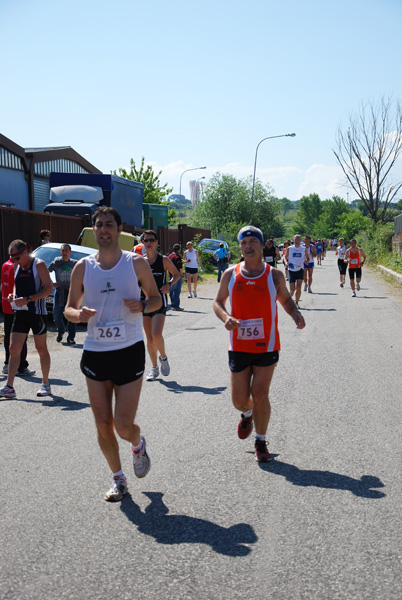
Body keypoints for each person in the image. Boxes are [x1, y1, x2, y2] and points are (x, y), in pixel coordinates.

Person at [64, 207, 162, 502]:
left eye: (109, 224)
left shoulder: (136, 263)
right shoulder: (82, 267)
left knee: (122, 425)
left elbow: (157, 298)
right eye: (99, 225)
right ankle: (119, 479)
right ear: (94, 230)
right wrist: (77, 314)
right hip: (95, 351)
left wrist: (144, 306)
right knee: (102, 424)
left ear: (119, 230)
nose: (104, 229)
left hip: (129, 349)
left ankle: (137, 443)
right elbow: (68, 309)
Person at [213, 226, 305, 463]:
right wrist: (226, 317)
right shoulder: (230, 274)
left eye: (254, 242)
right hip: (239, 345)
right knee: (239, 400)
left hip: (267, 345)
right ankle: (247, 413)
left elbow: (285, 299)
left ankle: (261, 441)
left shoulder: (274, 275)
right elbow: (217, 302)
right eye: (244, 243)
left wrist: (295, 314)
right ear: (240, 247)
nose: (249, 246)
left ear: (262, 245)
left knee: (261, 394)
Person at [0, 240, 53, 399]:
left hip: (37, 313)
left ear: (24, 252)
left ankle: (45, 384)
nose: (14, 262)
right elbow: (17, 287)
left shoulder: (39, 265)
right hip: (20, 312)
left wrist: (28, 299)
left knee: (41, 348)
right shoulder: (16, 266)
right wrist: (13, 296)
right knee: (13, 348)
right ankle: (9, 387)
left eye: (16, 258)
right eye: (12, 259)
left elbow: (49, 289)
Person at [141, 230, 181, 381]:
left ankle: (163, 358)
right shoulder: (140, 262)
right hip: (145, 302)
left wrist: (169, 284)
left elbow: (177, 274)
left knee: (156, 334)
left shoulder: (163, 260)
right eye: (146, 240)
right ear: (143, 243)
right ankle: (154, 368)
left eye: (151, 240)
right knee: (149, 339)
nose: (149, 243)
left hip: (160, 301)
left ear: (156, 242)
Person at [1, 258, 35, 376]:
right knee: (21, 337)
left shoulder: (5, 265)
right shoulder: (16, 267)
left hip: (6, 304)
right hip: (15, 305)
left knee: (8, 336)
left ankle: (7, 364)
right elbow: (17, 286)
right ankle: (21, 367)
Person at [48, 244, 77, 344]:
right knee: (56, 314)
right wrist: (52, 283)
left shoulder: (74, 264)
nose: (64, 253)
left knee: (71, 315)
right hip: (59, 292)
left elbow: (83, 274)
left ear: (70, 252)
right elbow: (45, 272)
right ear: (60, 252)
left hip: (71, 292)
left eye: (66, 251)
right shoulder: (56, 262)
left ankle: (71, 337)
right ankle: (61, 331)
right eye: (63, 251)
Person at [285, 235, 309, 309]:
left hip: (300, 269)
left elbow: (307, 257)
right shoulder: (290, 248)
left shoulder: (303, 248)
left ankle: (296, 302)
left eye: (298, 239)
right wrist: (286, 263)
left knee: (299, 287)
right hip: (291, 270)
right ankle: (290, 297)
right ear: (294, 240)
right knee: (292, 289)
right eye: (296, 239)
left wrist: (306, 261)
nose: (297, 240)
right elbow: (285, 257)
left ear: (300, 240)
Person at [168, 244, 184, 311]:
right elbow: (180, 266)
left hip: (170, 274)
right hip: (177, 275)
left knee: (171, 290)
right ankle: (176, 306)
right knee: (176, 290)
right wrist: (181, 273)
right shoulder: (177, 257)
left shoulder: (170, 256)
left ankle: (172, 304)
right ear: (179, 250)